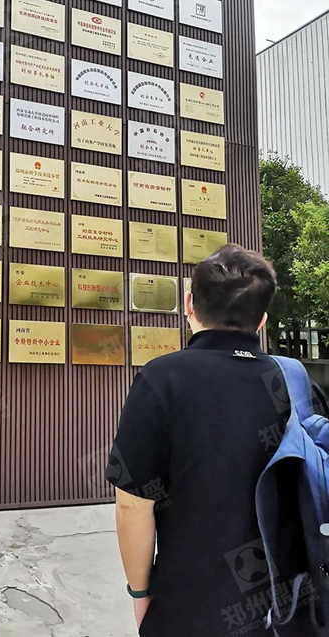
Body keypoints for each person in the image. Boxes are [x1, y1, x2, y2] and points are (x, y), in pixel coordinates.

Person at [106, 244, 326, 637]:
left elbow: (132, 504)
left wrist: (139, 593)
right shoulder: (294, 381)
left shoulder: (162, 379)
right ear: (262, 320)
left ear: (189, 304)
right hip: (290, 608)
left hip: (189, 609)